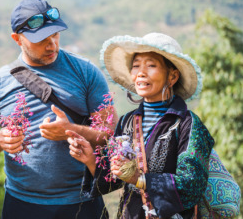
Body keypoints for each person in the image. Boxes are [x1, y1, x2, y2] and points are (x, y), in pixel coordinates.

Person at [0, 0, 117, 219]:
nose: (52, 45)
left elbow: (112, 136)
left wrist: (70, 130)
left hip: (82, 202)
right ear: (17, 39)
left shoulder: (86, 72)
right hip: (22, 204)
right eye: (40, 39)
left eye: (55, 35)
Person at [67, 33, 214, 218]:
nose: (141, 72)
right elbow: (116, 179)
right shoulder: (127, 122)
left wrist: (140, 179)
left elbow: (192, 184)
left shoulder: (187, 124)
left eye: (151, 65)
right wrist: (90, 160)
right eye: (136, 66)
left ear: (173, 76)